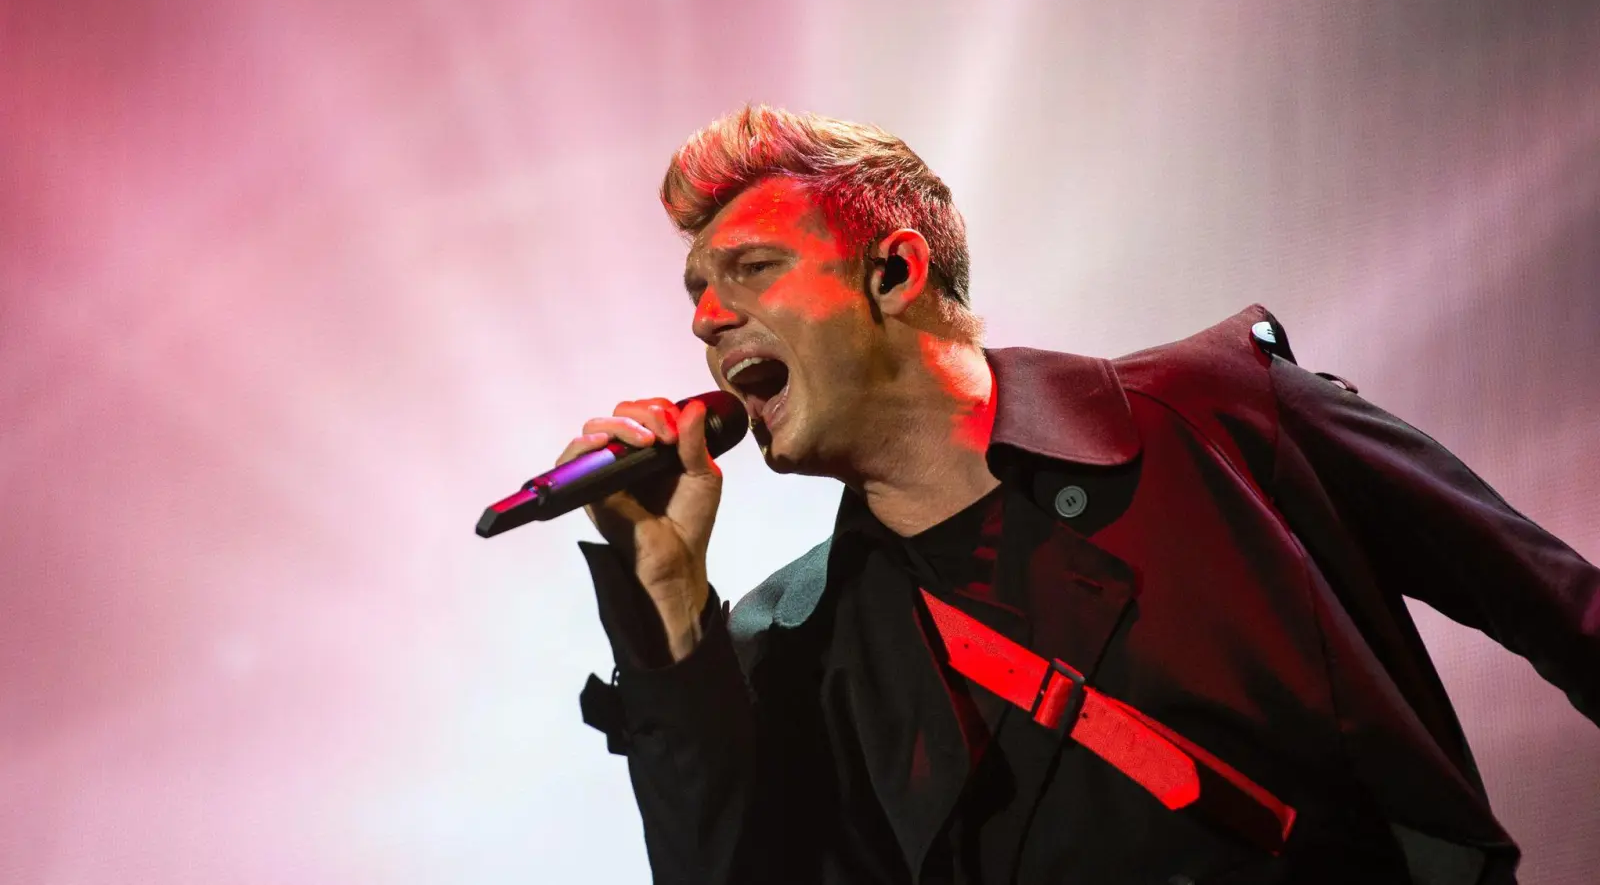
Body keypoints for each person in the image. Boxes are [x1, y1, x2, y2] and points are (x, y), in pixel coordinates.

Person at [557, 105, 1598, 885]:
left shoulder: (1219, 414)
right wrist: (667, 613)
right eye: (696, 289)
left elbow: (1566, 613)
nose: (705, 319)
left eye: (749, 268)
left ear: (894, 272)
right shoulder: (789, 644)